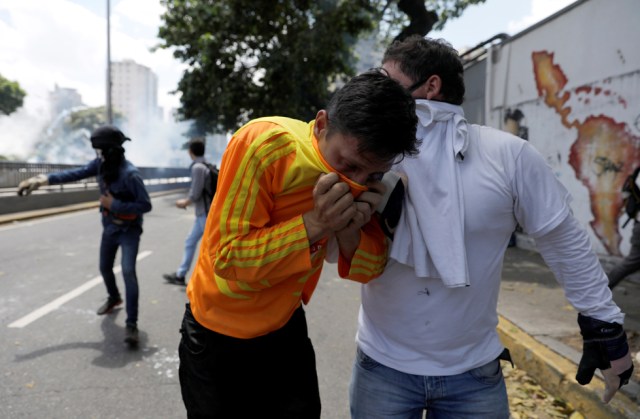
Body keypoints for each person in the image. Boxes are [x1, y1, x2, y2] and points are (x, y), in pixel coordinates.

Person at [349, 36, 634, 418]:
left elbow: (563, 240)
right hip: (381, 368)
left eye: (387, 78)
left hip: (473, 377)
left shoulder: (508, 155)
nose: (377, 88)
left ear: (431, 86)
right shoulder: (370, 153)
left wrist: (603, 324)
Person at [178, 70, 419, 418]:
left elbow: (370, 268)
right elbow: (229, 258)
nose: (356, 182)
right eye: (347, 165)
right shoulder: (264, 145)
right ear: (321, 125)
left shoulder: (370, 186)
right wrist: (316, 224)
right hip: (217, 331)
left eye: (372, 175)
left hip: (285, 325)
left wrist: (350, 230)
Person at [17, 126, 152, 346]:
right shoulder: (100, 166)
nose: (97, 155)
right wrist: (42, 180)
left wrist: (114, 204)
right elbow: (74, 174)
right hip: (110, 227)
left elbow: (145, 205)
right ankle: (114, 297)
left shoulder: (131, 174)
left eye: (99, 150)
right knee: (104, 267)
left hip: (129, 231)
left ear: (108, 151)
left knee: (128, 271)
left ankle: (132, 324)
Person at [163, 139, 216, 286]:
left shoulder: (198, 167)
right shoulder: (207, 165)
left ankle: (213, 282)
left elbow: (196, 192)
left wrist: (184, 202)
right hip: (203, 213)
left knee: (210, 248)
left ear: (190, 151)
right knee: (190, 242)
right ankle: (180, 275)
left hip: (205, 214)